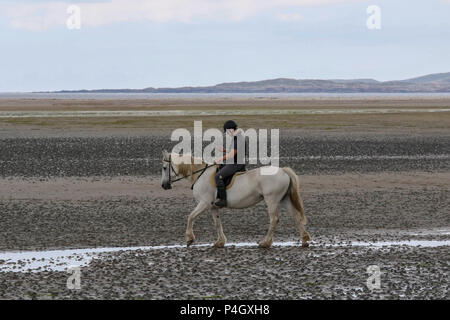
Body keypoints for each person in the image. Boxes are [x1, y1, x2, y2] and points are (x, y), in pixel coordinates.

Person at [213, 120, 246, 207]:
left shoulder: (238, 139)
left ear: (231, 129)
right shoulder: (236, 137)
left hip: (236, 164)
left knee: (217, 177)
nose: (227, 134)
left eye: (227, 131)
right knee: (217, 169)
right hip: (234, 162)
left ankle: (223, 200)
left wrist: (220, 159)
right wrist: (224, 150)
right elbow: (233, 151)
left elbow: (231, 155)